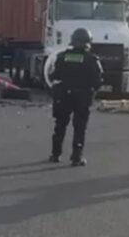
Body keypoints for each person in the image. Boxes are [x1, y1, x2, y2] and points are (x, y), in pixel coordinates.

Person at [49, 28, 103, 166]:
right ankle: (76, 157)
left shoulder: (62, 57)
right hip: (82, 97)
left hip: (63, 95)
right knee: (79, 128)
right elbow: (98, 81)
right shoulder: (91, 59)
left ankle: (55, 154)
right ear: (87, 43)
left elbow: (53, 75)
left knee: (60, 125)